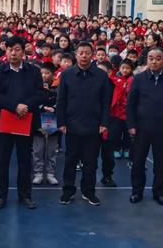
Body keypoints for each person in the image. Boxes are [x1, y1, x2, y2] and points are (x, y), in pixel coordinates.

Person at [0, 36, 45, 210]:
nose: (13, 53)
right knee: (2, 160)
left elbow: (40, 94)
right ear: (5, 51)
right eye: (10, 50)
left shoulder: (34, 71)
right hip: (5, 121)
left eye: (17, 50)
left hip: (25, 120)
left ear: (23, 51)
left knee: (24, 160)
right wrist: (15, 106)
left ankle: (25, 195)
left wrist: (26, 106)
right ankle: (1, 196)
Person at [57, 41, 112, 206]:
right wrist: (61, 122)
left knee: (91, 162)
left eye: (87, 52)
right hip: (72, 125)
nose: (84, 56)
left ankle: (89, 191)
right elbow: (61, 101)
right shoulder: (66, 75)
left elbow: (105, 102)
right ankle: (68, 191)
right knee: (70, 161)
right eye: (81, 53)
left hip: (93, 125)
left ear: (92, 55)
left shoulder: (101, 76)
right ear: (76, 54)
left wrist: (104, 122)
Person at [127, 47, 163, 206]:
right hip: (141, 128)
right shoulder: (138, 79)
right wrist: (131, 124)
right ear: (147, 60)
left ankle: (159, 193)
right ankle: (136, 191)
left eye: (158, 58)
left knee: (161, 163)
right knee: (138, 162)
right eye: (151, 58)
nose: (154, 61)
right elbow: (131, 104)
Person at [32, 62, 59, 186]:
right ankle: (38, 173)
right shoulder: (34, 89)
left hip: (53, 125)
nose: (44, 76)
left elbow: (62, 103)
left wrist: (54, 108)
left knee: (51, 150)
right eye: (41, 73)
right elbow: (32, 104)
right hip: (38, 124)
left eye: (47, 73)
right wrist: (42, 107)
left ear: (52, 75)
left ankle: (50, 173)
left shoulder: (58, 89)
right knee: (38, 150)